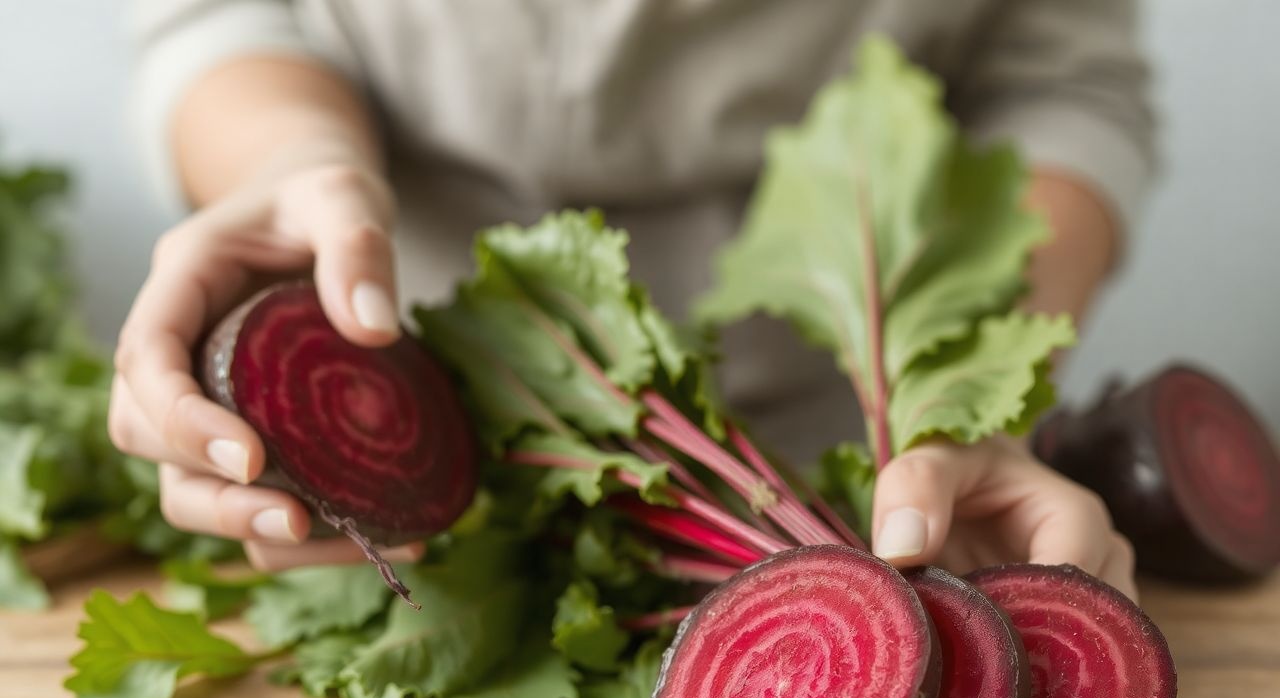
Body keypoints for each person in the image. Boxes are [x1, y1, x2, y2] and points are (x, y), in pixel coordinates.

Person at [109, 0, 1154, 600]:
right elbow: (225, 16)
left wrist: (960, 403)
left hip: (864, 485)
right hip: (422, 442)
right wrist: (288, 167)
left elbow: (1058, 90)